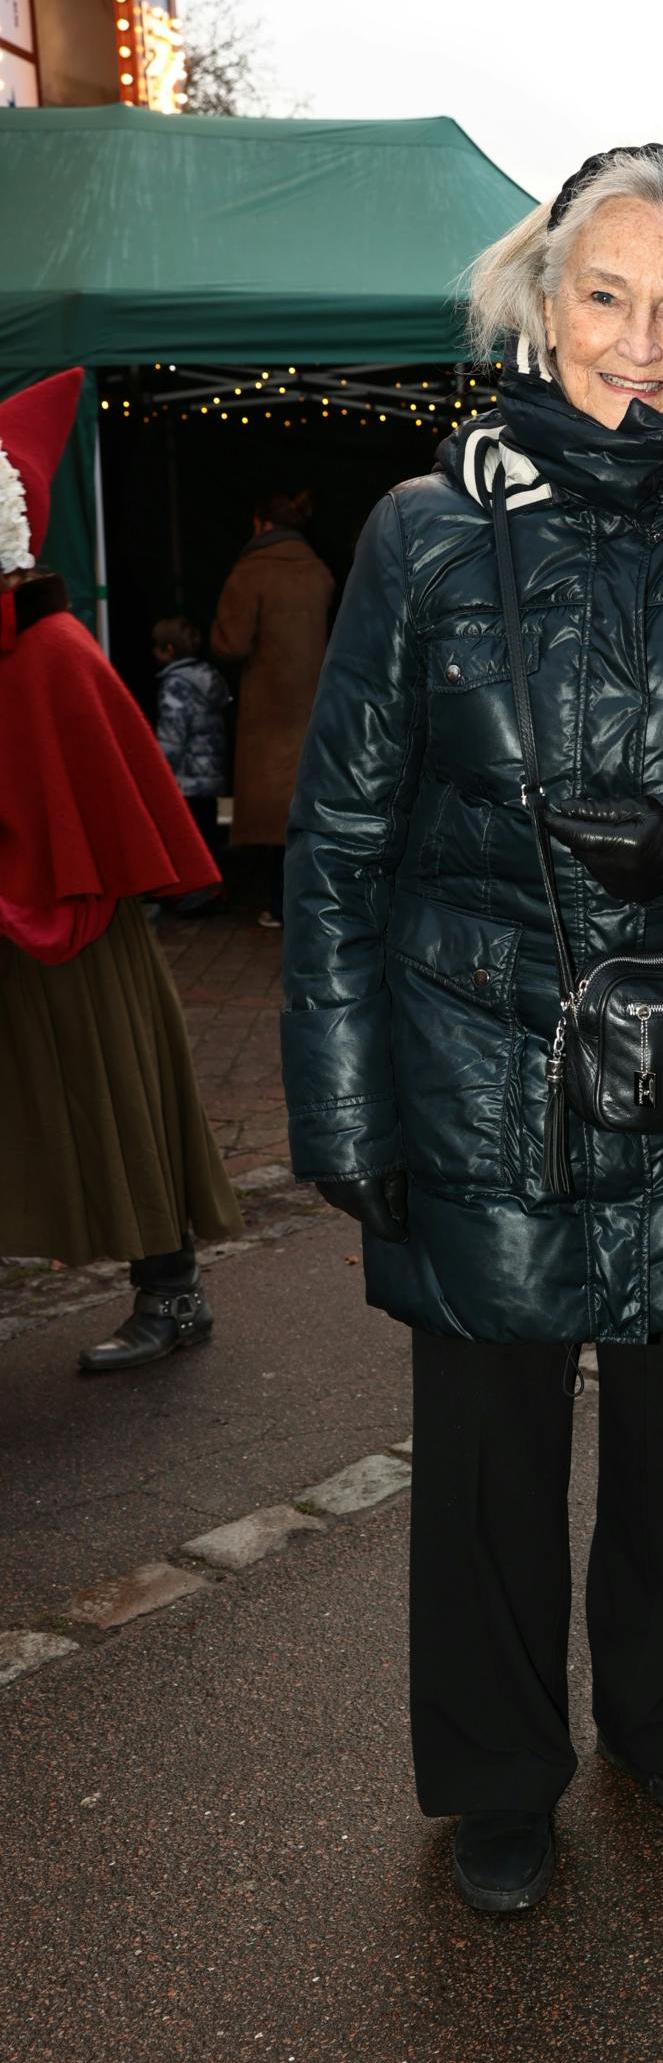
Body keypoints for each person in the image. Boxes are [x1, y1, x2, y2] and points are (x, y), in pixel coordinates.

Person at [281, 144, 663, 1915]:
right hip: (478, 1075)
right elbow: (341, 841)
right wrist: (342, 1103)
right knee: (486, 1461)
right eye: (607, 298)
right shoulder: (420, 537)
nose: (639, 343)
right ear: (541, 305)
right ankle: (497, 1775)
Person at [0, 371, 242, 1370]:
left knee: (116, 1099)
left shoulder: (54, 652)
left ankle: (172, 1293)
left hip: (76, 931)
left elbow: (98, 806)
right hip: (21, 924)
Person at [211, 488, 333, 930]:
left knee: (269, 813)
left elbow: (230, 642)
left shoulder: (251, 570)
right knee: (305, 801)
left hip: (266, 707)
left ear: (261, 523)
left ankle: (274, 903)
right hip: (312, 700)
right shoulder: (319, 571)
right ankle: (307, 901)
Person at [153, 615, 231, 914]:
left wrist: (160, 771)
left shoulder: (176, 684)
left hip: (187, 778)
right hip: (210, 774)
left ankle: (194, 895)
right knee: (209, 836)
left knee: (188, 841)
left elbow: (173, 733)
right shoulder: (209, 677)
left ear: (169, 650)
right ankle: (212, 889)